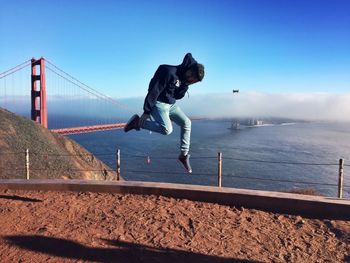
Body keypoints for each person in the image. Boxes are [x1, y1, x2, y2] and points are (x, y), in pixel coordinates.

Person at [124, 53, 205, 173]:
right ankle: (137, 123)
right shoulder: (168, 71)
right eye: (193, 80)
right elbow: (154, 90)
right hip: (158, 103)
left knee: (187, 123)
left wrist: (185, 85)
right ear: (190, 71)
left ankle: (183, 156)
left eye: (194, 82)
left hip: (171, 104)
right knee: (167, 130)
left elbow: (177, 96)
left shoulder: (184, 79)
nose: (192, 82)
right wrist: (147, 111)